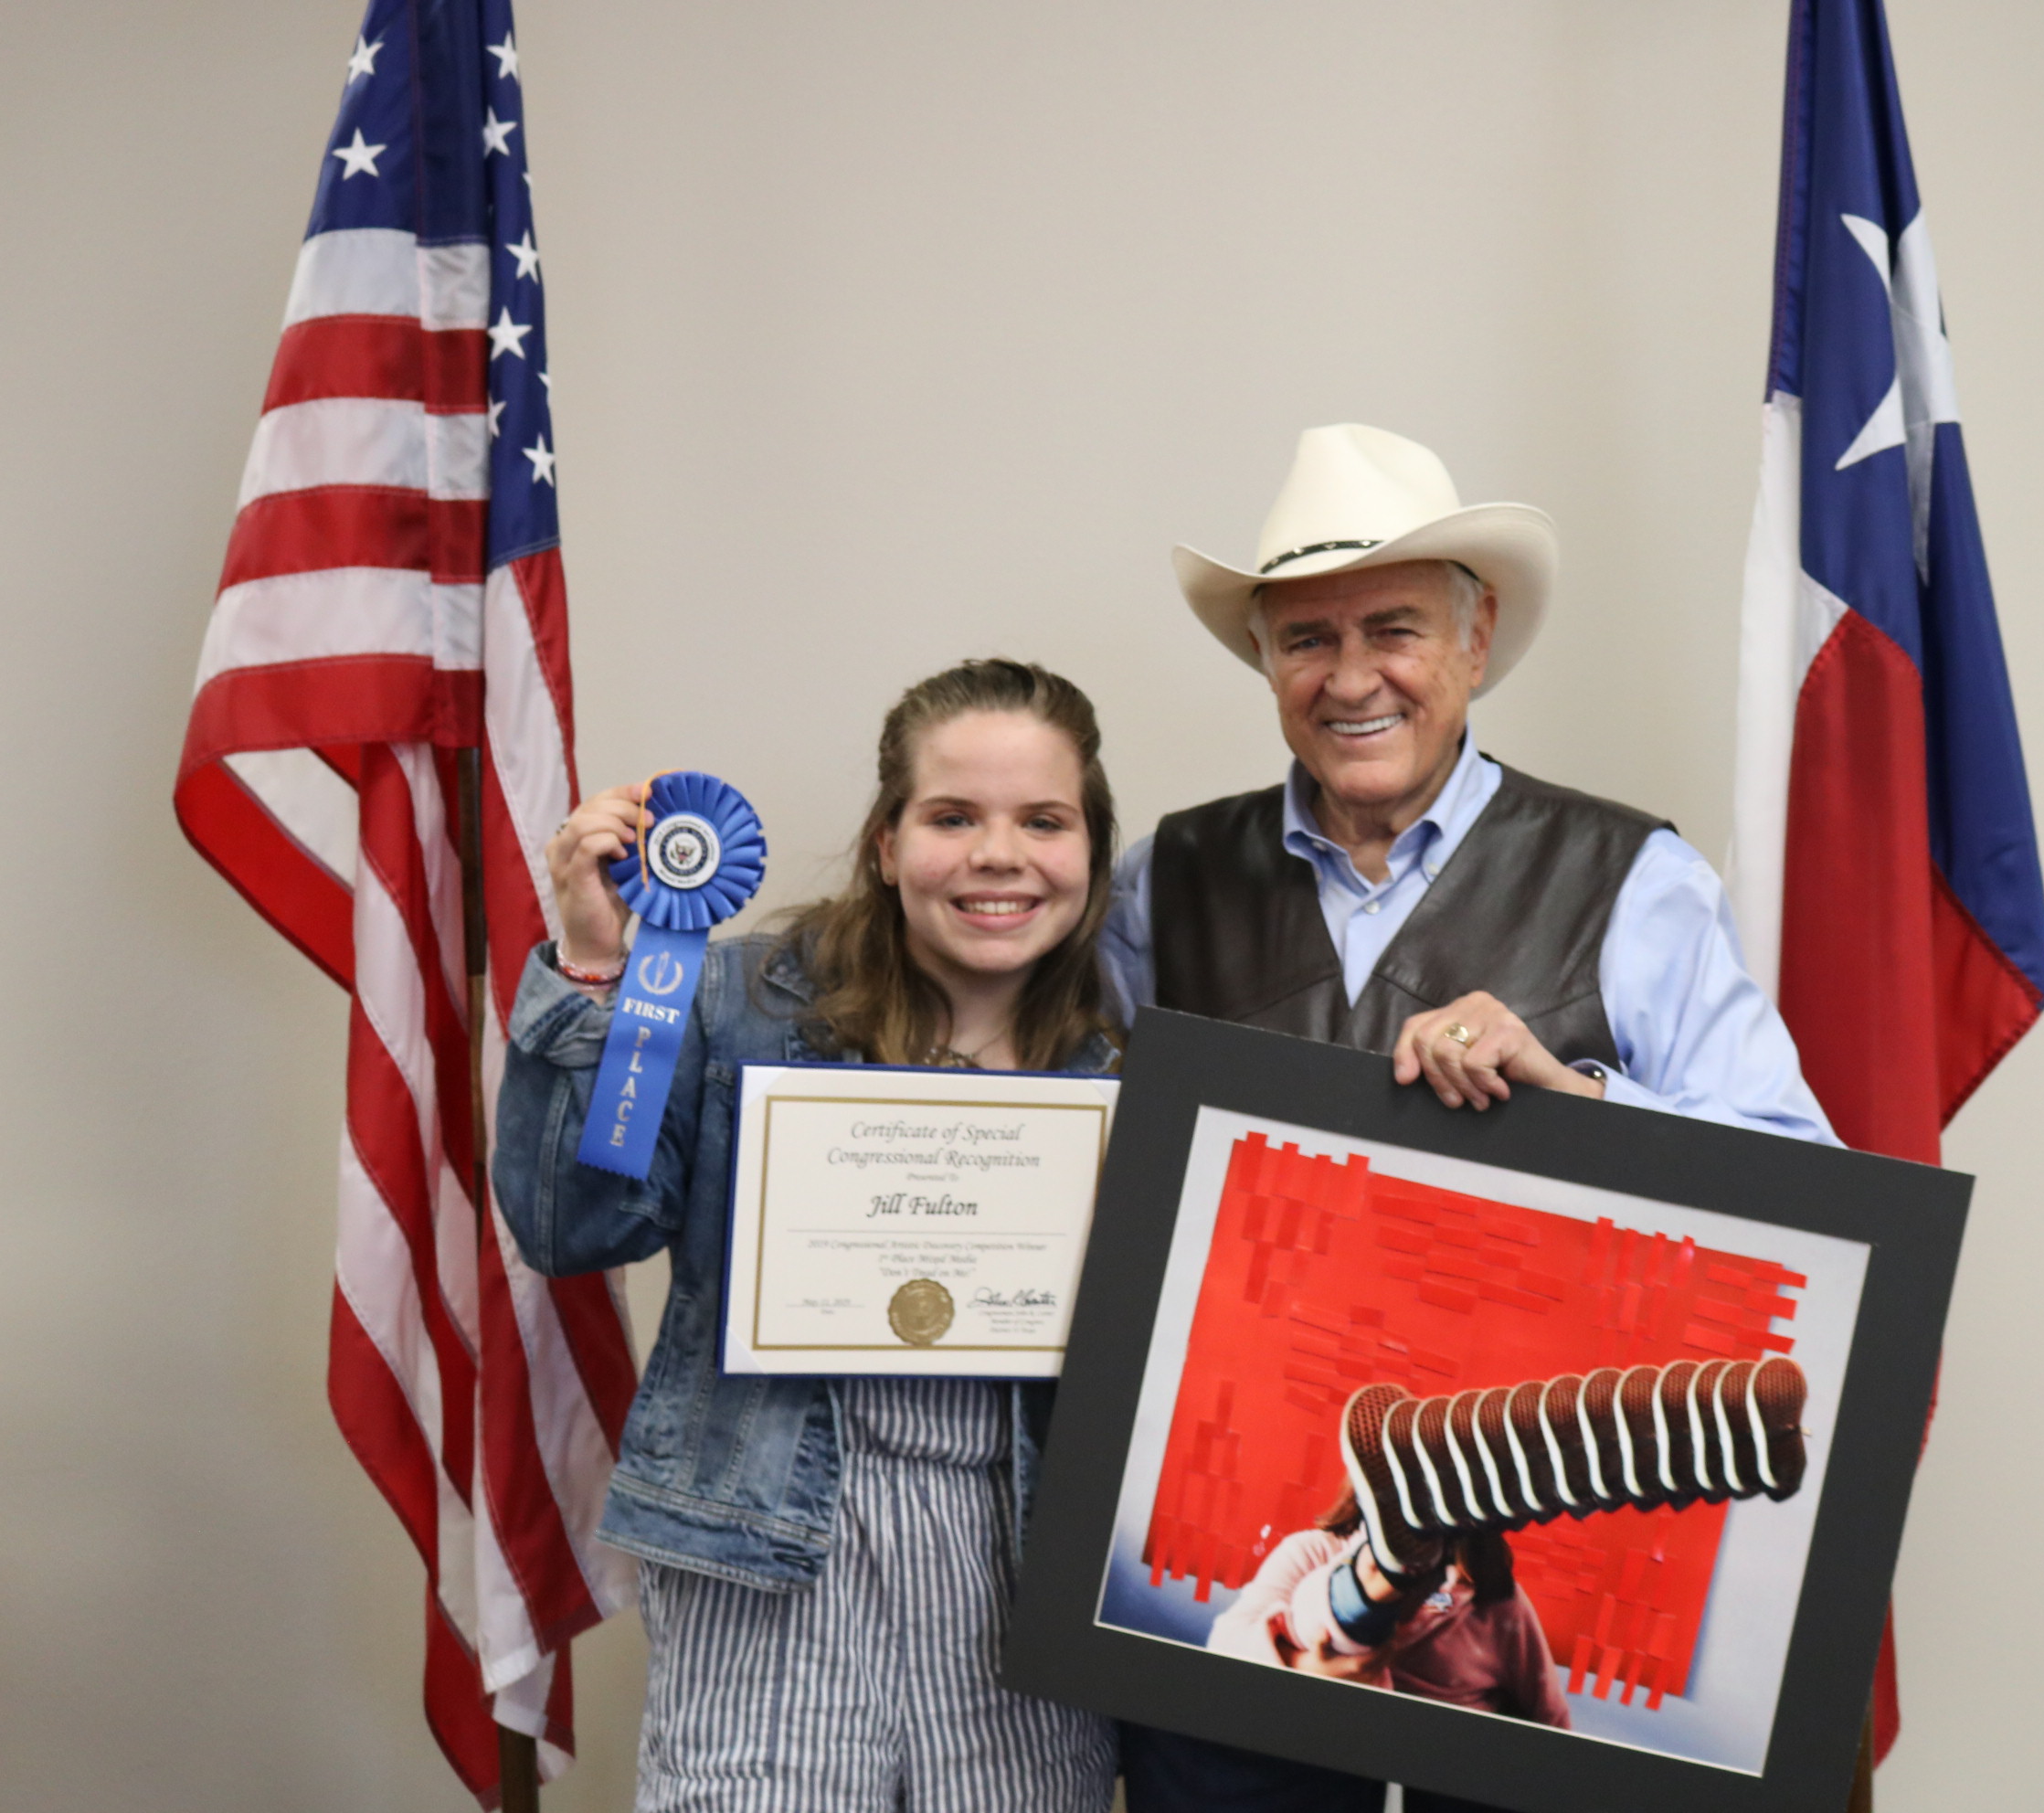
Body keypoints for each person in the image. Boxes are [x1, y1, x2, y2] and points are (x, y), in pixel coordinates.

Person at [1101, 424, 1842, 1813]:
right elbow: (1080, 1156)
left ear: (1477, 638)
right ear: (1265, 659)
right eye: (1307, 639)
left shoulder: (1633, 876)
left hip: (1524, 1586)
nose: (1352, 678)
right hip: (1228, 1572)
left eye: (1394, 629)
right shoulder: (1164, 881)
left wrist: (1576, 1094)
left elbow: (1807, 1180)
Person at [493, 660, 1122, 1813]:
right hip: (767, 1555)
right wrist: (596, 968)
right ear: (886, 843)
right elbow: (567, 1226)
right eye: (952, 817)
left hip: (1019, 1574)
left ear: (1091, 849)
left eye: (1044, 820)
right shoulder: (731, 1003)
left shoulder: (1125, 1064)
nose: (1000, 855)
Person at [1208, 1484, 1571, 1732]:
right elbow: (1223, 1644)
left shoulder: (1496, 1602)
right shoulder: (1312, 1555)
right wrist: (1302, 1666)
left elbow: (1551, 1720)